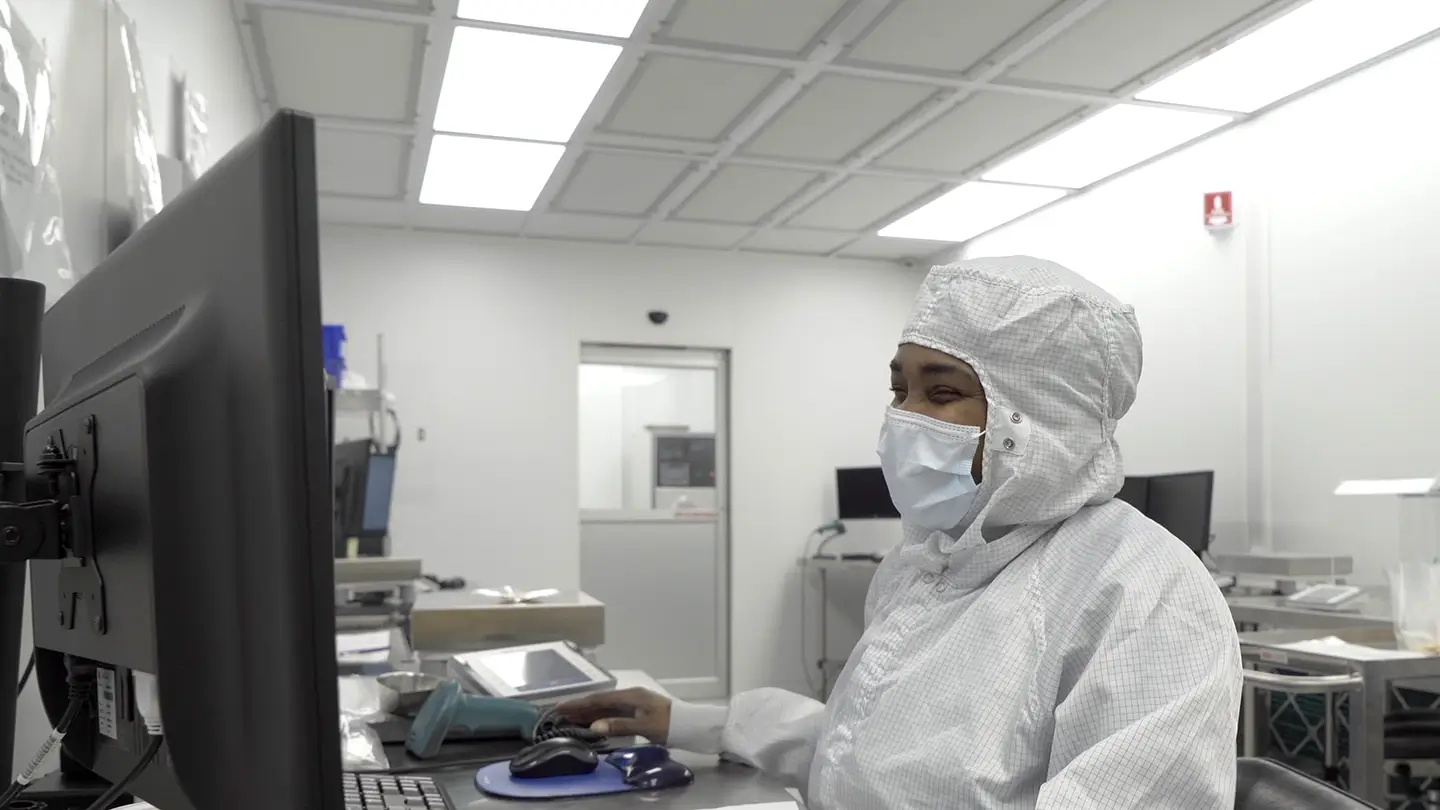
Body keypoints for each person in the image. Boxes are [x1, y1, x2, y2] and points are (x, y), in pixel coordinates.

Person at [560, 257, 1243, 809]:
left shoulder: (1144, 596)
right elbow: (861, 754)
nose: (903, 418)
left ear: (1037, 416)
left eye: (941, 392)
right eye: (900, 390)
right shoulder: (926, 564)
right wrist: (689, 721)